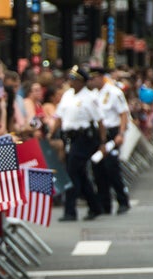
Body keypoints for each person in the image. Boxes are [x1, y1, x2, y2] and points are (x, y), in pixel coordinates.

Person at [48, 66, 106, 222]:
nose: (71, 82)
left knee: (72, 172)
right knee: (80, 174)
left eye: (74, 80)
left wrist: (102, 142)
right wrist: (50, 133)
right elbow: (59, 117)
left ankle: (70, 211)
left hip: (84, 138)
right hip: (70, 138)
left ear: (81, 82)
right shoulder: (67, 95)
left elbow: (100, 121)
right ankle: (95, 206)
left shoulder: (90, 98)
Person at [87, 67, 131, 213]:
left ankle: (122, 200)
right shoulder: (91, 94)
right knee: (98, 169)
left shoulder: (113, 92)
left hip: (112, 132)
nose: (91, 81)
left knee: (111, 167)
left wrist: (121, 133)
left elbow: (123, 113)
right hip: (98, 133)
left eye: (94, 78)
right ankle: (105, 204)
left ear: (100, 77)